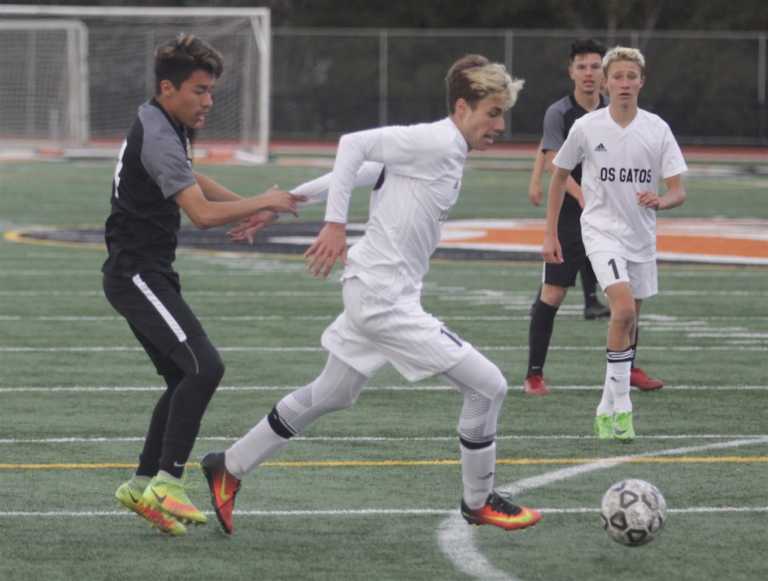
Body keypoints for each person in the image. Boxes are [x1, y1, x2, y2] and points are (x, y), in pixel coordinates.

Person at [200, 54, 543, 536]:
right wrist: (334, 223)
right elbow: (352, 145)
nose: (500, 125)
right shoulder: (434, 141)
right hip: (382, 301)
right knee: (488, 386)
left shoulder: (443, 151)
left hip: (380, 294)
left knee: (332, 392)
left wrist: (284, 205)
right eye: (492, 113)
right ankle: (478, 500)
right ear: (462, 107)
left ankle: (228, 466)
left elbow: (367, 171)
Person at [103, 34, 303, 536]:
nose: (208, 101)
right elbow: (202, 214)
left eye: (211, 91)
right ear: (167, 88)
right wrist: (265, 200)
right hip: (137, 275)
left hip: (146, 273)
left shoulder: (162, 122)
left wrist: (256, 204)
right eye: (199, 90)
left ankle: (141, 483)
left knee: (181, 378)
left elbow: (192, 179)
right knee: (205, 366)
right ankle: (168, 481)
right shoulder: (160, 132)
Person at [542, 46, 687, 441]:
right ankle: (622, 404)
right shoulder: (587, 127)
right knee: (620, 307)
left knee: (629, 322)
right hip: (600, 231)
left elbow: (678, 190)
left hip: (640, 236)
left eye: (631, 77)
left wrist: (662, 200)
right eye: (617, 77)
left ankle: (607, 406)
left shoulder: (657, 129)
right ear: (607, 83)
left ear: (641, 81)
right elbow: (557, 177)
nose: (624, 83)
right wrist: (550, 233)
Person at [523, 39, 613, 397]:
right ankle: (533, 375)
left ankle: (629, 369)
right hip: (569, 216)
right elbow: (552, 161)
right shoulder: (559, 112)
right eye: (582, 67)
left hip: (607, 216)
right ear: (571, 71)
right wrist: (584, 196)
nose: (589, 74)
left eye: (595, 67)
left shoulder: (614, 111)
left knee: (627, 294)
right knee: (554, 293)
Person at [527, 138, 609, 322]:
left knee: (589, 243)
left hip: (593, 184)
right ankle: (542, 303)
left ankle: (591, 301)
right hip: (572, 188)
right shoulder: (562, 111)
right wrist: (535, 179)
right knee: (567, 246)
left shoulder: (604, 113)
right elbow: (547, 147)